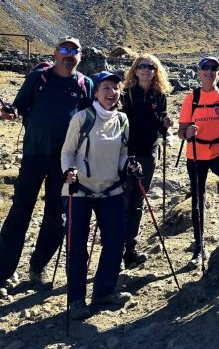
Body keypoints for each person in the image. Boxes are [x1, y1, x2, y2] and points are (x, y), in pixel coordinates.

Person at [0, 37, 93, 289]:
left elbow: (90, 119)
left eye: (74, 50)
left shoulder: (86, 84)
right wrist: (10, 112)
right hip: (34, 154)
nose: (69, 54)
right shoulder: (39, 79)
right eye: (64, 49)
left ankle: (37, 268)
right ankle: (2, 272)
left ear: (80, 57)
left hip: (65, 160)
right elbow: (19, 107)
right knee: (20, 210)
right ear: (54, 53)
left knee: (57, 215)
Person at [61, 71, 136, 319]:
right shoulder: (82, 118)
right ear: (95, 92)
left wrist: (129, 166)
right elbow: (68, 151)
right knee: (77, 247)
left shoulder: (123, 120)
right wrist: (69, 170)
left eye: (115, 88)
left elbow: (123, 153)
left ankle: (104, 291)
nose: (111, 92)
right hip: (79, 189)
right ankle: (76, 300)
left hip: (110, 189)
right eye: (105, 87)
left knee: (115, 242)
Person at [177, 57, 219, 267]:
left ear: (218, 73)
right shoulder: (191, 98)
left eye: (214, 69)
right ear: (199, 72)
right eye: (206, 68)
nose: (210, 72)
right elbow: (180, 132)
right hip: (196, 153)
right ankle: (199, 244)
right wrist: (188, 132)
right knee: (197, 197)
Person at [120, 54, 173, 270]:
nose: (146, 70)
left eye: (150, 67)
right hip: (126, 154)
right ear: (134, 70)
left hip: (149, 153)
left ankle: (130, 250)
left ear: (155, 71)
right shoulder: (126, 94)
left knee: (138, 202)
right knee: (123, 200)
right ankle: (117, 249)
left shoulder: (158, 95)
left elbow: (161, 127)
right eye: (141, 66)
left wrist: (166, 124)